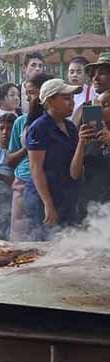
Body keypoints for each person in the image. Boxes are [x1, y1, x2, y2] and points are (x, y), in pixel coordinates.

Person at [24, 79, 94, 241]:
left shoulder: (70, 127)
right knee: (44, 247)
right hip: (44, 197)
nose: (71, 102)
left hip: (65, 195)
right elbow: (36, 169)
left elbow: (74, 172)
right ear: (50, 101)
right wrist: (48, 204)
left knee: (66, 245)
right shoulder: (39, 128)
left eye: (72, 98)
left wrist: (82, 143)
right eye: (66, 98)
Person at [6, 73, 52, 241]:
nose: (28, 99)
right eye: (27, 93)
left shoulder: (58, 123)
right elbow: (10, 160)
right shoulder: (21, 122)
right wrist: (28, 148)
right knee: (20, 237)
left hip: (49, 182)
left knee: (45, 234)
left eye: (32, 93)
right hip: (23, 182)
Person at [77, 89, 110, 221]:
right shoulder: (89, 135)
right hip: (90, 202)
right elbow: (75, 172)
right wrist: (80, 143)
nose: (100, 110)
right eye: (98, 105)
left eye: (106, 105)